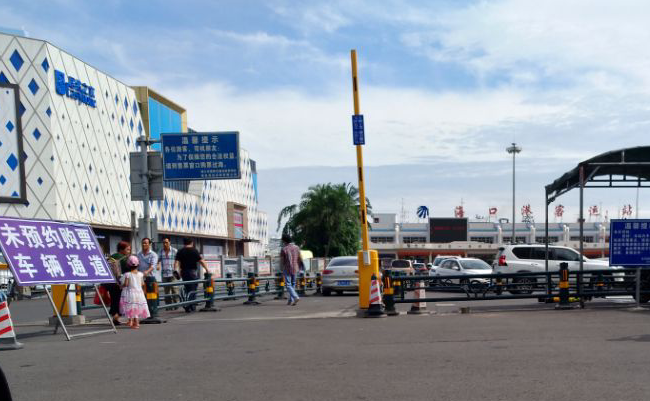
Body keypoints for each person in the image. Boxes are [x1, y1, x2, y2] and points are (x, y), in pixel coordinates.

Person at [174, 238, 208, 313]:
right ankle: (191, 305)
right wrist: (207, 270)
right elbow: (201, 261)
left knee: (187, 288)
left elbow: (176, 262)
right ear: (192, 243)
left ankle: (187, 304)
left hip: (183, 272)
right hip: (192, 272)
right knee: (193, 289)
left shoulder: (180, 251)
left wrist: (176, 270)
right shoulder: (194, 251)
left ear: (184, 243)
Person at [104, 241, 131, 325]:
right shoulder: (124, 258)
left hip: (110, 282)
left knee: (114, 299)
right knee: (120, 300)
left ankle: (115, 316)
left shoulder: (111, 257)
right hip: (119, 283)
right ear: (121, 250)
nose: (129, 251)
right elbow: (129, 269)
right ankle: (116, 316)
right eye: (127, 249)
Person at [119, 255, 150, 329]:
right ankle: (136, 323)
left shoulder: (127, 274)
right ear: (138, 264)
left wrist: (121, 286)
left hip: (131, 293)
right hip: (139, 293)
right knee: (137, 308)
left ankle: (133, 323)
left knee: (132, 308)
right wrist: (144, 292)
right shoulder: (141, 274)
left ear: (128, 265)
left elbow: (126, 284)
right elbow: (143, 284)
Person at [280, 234, 302, 306]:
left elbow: (282, 261)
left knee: (288, 284)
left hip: (287, 268)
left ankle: (295, 297)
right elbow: (299, 258)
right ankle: (290, 300)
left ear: (284, 241)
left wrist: (281, 269)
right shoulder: (297, 247)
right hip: (295, 268)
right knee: (293, 284)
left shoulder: (284, 249)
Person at [158, 238, 179, 308]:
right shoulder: (161, 251)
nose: (165, 244)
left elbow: (178, 260)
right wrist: (158, 265)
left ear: (170, 242)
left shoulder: (174, 251)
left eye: (166, 242)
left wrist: (176, 269)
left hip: (173, 274)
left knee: (174, 290)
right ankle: (169, 307)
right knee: (166, 292)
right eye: (163, 242)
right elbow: (158, 260)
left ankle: (176, 306)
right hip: (164, 274)